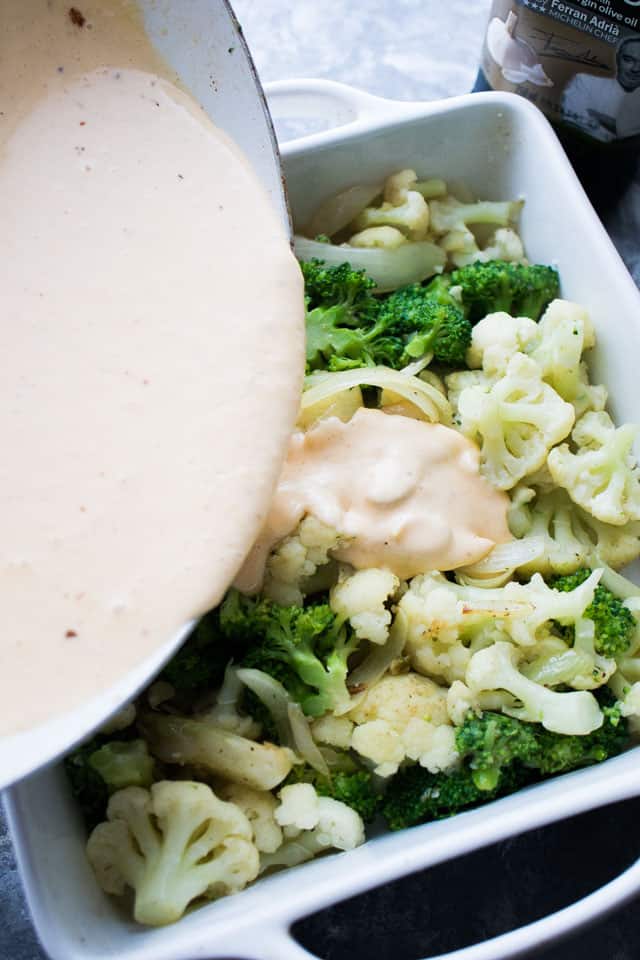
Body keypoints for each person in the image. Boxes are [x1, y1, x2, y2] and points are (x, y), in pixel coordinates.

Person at [562, 36, 640, 140]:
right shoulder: (586, 83)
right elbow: (572, 122)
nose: (635, 69)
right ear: (617, 59)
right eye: (628, 60)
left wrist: (598, 116)